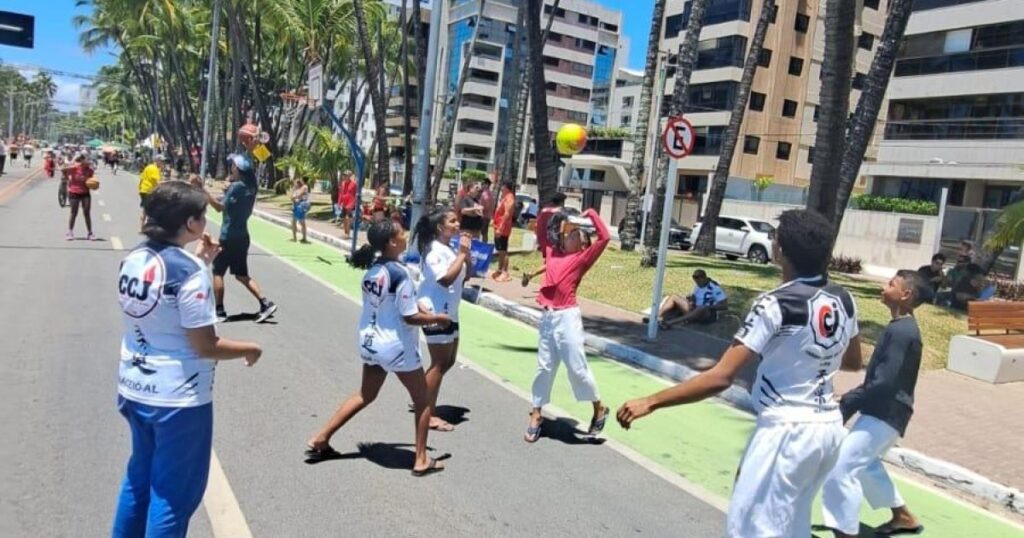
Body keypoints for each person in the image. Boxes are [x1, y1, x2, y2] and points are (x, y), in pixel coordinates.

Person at [617, 209, 863, 538]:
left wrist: (652, 401)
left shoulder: (774, 304)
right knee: (791, 524)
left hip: (786, 430)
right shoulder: (844, 299)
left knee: (751, 529)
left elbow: (721, 376)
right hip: (828, 429)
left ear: (780, 250)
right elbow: (852, 361)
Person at [113, 181, 262, 537]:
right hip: (177, 399)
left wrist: (200, 260)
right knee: (174, 495)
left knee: (139, 478)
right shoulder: (190, 273)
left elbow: (163, 294)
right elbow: (205, 345)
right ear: (192, 224)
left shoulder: (135, 257)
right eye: (203, 216)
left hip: (134, 387)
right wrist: (249, 348)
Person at [305, 219, 451, 476]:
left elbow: (391, 305)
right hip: (395, 346)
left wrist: (418, 306)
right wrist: (437, 319)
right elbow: (409, 318)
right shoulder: (400, 273)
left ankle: (321, 437)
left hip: (369, 342)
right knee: (423, 399)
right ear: (392, 242)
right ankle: (421, 459)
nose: (406, 237)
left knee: (365, 394)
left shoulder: (373, 270)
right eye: (402, 234)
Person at [820, 270, 929, 538]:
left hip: (887, 413)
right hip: (886, 410)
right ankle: (902, 517)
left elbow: (885, 381)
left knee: (841, 468)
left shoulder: (903, 331)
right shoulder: (900, 326)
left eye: (891, 284)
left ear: (905, 295)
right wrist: (854, 398)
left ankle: (844, 532)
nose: (884, 286)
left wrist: (849, 401)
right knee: (866, 464)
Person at [525, 207, 611, 443]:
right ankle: (536, 413)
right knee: (544, 367)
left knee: (576, 367)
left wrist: (591, 213)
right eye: (569, 232)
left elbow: (605, 237)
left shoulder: (581, 259)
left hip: (567, 318)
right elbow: (543, 224)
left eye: (577, 235)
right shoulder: (552, 253)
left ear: (583, 245)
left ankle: (598, 408)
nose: (571, 235)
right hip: (548, 318)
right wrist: (553, 211)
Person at [202, 149, 278, 324]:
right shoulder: (251, 187)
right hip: (243, 236)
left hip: (228, 236)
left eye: (233, 166)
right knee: (242, 275)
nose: (231, 168)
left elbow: (219, 207)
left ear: (238, 169)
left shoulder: (236, 188)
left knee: (218, 272)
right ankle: (265, 303)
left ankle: (219, 311)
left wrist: (203, 192)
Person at [414, 209, 473, 432]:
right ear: (440, 227)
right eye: (452, 221)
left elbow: (466, 275)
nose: (458, 225)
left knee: (447, 362)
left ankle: (428, 402)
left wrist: (465, 255)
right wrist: (461, 254)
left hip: (452, 311)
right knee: (439, 363)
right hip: (435, 311)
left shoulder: (450, 249)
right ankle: (426, 412)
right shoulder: (433, 252)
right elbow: (445, 280)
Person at [646, 269, 728, 329]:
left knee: (702, 307)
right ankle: (655, 317)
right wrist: (691, 299)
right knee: (674, 296)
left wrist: (709, 307)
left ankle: (669, 323)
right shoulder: (697, 286)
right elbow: (696, 298)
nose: (697, 282)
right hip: (695, 310)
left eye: (698, 279)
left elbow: (724, 306)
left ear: (704, 278)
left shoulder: (715, 288)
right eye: (695, 279)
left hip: (708, 314)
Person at [520, 192, 567, 287]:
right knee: (553, 263)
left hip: (543, 240)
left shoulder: (544, 210)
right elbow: (562, 229)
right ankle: (533, 275)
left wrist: (539, 240)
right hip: (554, 241)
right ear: (561, 202)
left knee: (549, 262)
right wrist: (562, 242)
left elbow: (537, 225)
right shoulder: (561, 213)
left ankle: (535, 276)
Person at [65, 154, 96, 241]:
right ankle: (70, 232)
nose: (81, 162)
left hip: (85, 192)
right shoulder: (74, 168)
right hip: (74, 192)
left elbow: (93, 180)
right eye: (79, 160)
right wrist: (68, 176)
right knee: (74, 213)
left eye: (83, 160)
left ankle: (90, 233)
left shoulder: (89, 170)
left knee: (87, 213)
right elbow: (63, 170)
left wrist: (92, 184)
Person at [491, 181, 516, 282]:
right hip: (499, 226)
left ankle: (505, 272)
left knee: (503, 250)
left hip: (503, 228)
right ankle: (500, 269)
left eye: (502, 186)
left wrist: (500, 227)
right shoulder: (505, 197)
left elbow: (507, 214)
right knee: (500, 250)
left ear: (506, 187)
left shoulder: (509, 198)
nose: (501, 188)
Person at [138, 155, 167, 231]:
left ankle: (142, 227)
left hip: (144, 190)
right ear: (157, 161)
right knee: (152, 209)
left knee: (146, 209)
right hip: (149, 191)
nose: (163, 163)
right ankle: (148, 227)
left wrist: (139, 189)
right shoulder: (154, 169)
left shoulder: (148, 167)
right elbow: (159, 182)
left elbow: (141, 178)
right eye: (162, 161)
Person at [290, 176, 310, 243]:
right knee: (293, 221)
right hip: (297, 205)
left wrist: (294, 197)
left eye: (301, 179)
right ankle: (294, 237)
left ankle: (304, 238)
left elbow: (300, 195)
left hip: (300, 205)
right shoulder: (300, 187)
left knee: (302, 222)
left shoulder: (304, 187)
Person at [339, 170, 358, 238]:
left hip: (350, 203)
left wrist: (353, 203)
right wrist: (339, 203)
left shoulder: (354, 184)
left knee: (348, 218)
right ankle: (345, 233)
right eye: (344, 175)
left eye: (346, 175)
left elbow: (356, 195)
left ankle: (348, 234)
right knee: (344, 219)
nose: (344, 177)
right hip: (344, 203)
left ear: (349, 176)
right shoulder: (343, 183)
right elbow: (341, 193)